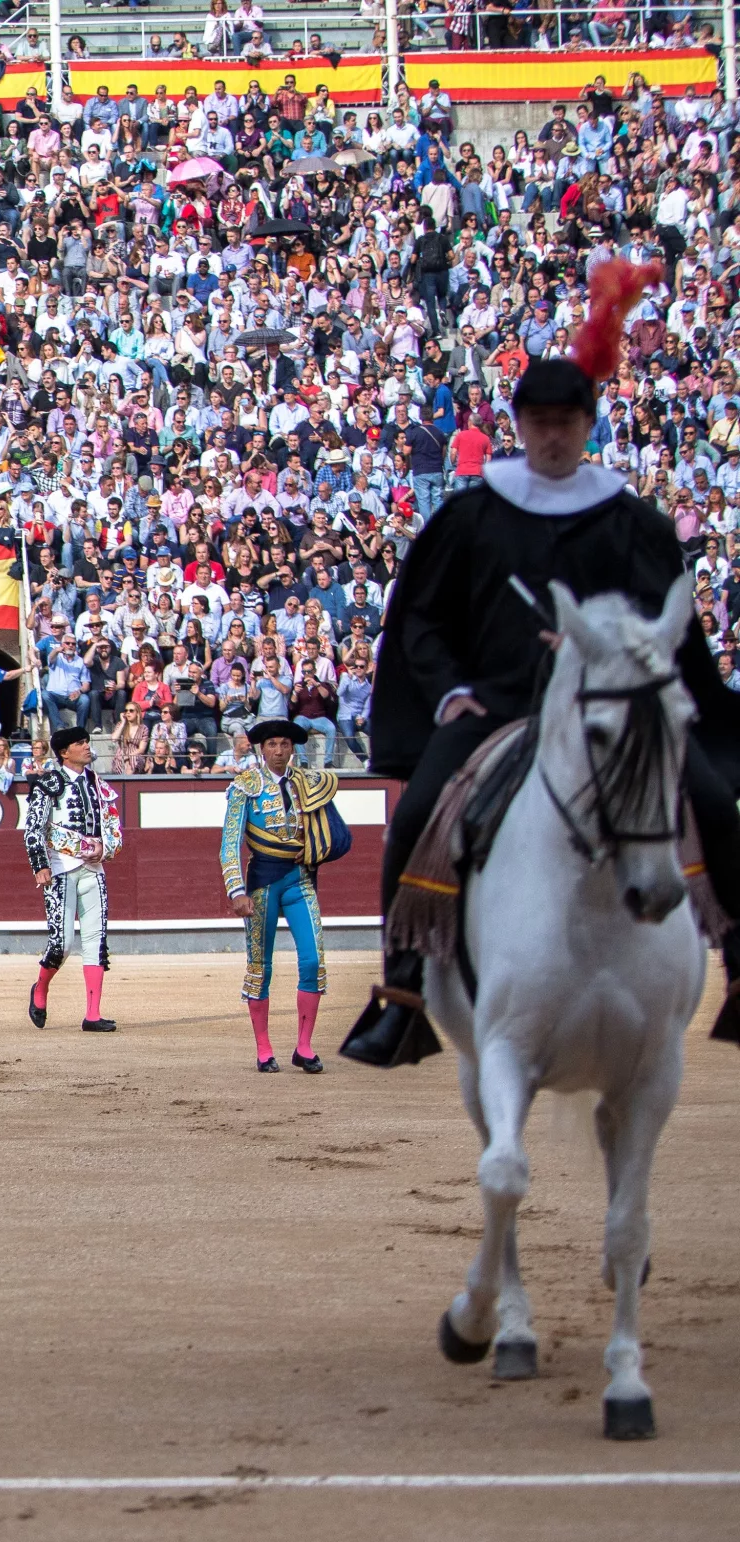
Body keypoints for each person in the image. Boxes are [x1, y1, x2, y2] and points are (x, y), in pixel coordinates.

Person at [342, 264, 740, 1066]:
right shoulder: (472, 515)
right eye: (540, 420)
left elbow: (671, 625)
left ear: (588, 425)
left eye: (568, 421)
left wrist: (613, 651)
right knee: (420, 810)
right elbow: (419, 618)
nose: (554, 435)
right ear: (518, 423)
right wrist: (450, 689)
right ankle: (405, 991)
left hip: (610, 700)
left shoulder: (629, 519)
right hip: (495, 703)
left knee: (704, 788)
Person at [221, 719, 346, 1073]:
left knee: (313, 962)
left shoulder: (305, 783)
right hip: (261, 885)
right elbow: (229, 844)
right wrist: (236, 891)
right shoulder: (245, 785)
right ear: (262, 749)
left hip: (299, 879)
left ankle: (303, 1047)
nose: (278, 751)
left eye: (285, 745)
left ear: (293, 749)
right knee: (260, 967)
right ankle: (264, 1048)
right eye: (272, 744)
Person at [20, 725, 122, 1031]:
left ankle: (92, 1014)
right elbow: (34, 828)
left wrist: (105, 848)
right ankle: (40, 988)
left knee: (96, 941)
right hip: (60, 870)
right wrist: (40, 864)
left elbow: (113, 827)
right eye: (81, 743)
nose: (88, 747)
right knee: (61, 944)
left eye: (88, 742)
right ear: (65, 752)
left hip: (94, 869)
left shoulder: (99, 785)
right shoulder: (48, 783)